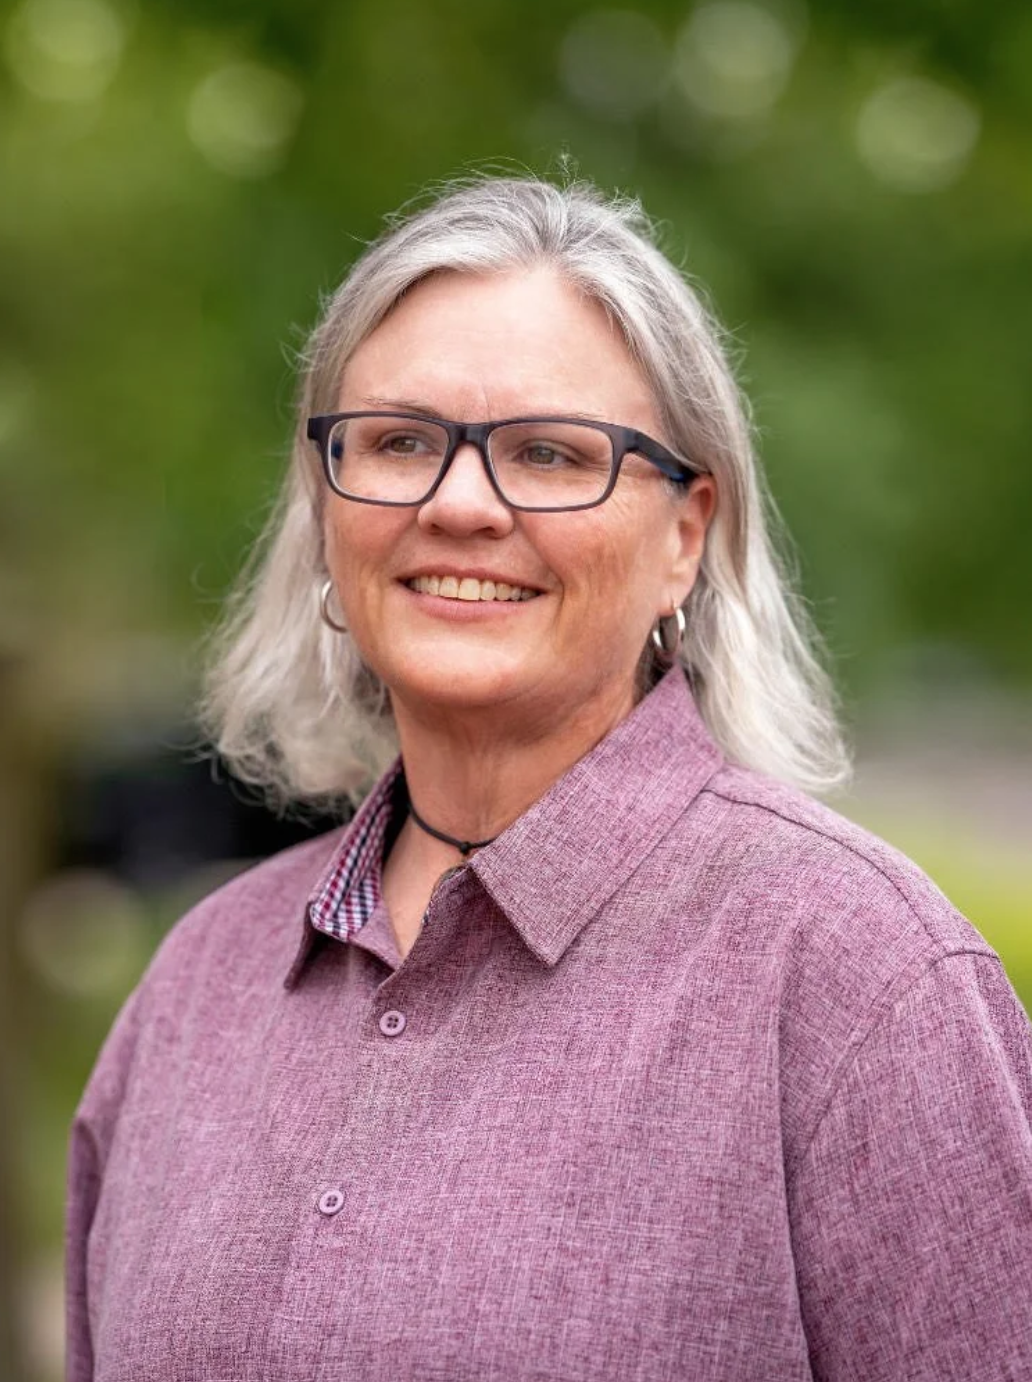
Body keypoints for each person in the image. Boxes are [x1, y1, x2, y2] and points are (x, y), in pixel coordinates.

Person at [66, 176, 1032, 1382]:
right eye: (401, 441)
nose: (461, 504)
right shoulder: (198, 984)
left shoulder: (857, 977)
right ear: (325, 507)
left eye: (549, 452)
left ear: (685, 536)